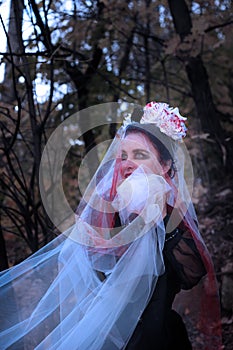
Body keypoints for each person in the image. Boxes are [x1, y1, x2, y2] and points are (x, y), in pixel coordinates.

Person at [0, 101, 222, 349]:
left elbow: (191, 276)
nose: (126, 163)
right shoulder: (107, 212)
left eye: (139, 155)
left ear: (165, 165)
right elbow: (89, 273)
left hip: (157, 338)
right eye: (123, 156)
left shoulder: (174, 214)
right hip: (111, 336)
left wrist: (164, 224)